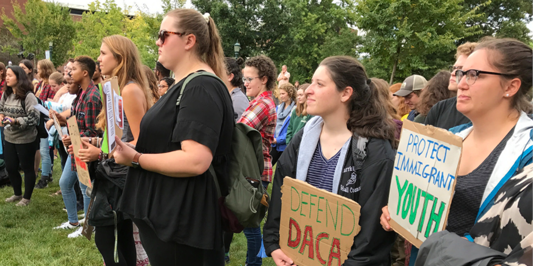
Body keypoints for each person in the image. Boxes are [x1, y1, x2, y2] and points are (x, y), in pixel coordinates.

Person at [381, 38, 533, 266]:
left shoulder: (528, 154)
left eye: (475, 75)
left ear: (511, 86)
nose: (462, 83)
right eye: (462, 74)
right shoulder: (450, 137)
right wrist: (398, 211)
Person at [113, 9, 233, 266]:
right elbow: (164, 143)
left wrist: (136, 159)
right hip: (171, 219)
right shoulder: (187, 84)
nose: (157, 42)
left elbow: (195, 160)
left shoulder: (201, 87)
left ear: (189, 41)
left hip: (182, 224)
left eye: (163, 35)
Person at [263, 56, 397, 266]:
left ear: (346, 93)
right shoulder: (304, 136)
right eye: (312, 82)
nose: (308, 90)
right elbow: (283, 189)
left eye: (320, 84)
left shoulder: (375, 151)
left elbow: (371, 236)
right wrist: (274, 243)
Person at [75, 35, 153, 266]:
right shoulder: (116, 88)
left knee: (114, 235)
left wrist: (100, 154)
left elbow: (142, 142)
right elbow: (117, 138)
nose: (98, 58)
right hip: (114, 173)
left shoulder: (129, 90)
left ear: (120, 57)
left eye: (103, 53)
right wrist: (89, 142)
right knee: (111, 235)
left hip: (122, 176)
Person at [50, 56, 102, 238]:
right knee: (65, 183)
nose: (69, 73)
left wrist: (75, 139)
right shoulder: (81, 94)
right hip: (76, 147)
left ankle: (87, 227)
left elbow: (94, 133)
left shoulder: (93, 97)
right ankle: (73, 220)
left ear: (85, 73)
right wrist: (63, 123)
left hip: (84, 150)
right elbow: (76, 121)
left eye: (73, 70)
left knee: (85, 188)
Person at [237, 55, 277, 266]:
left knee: (251, 227)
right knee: (249, 224)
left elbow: (238, 131)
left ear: (264, 79)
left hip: (255, 171)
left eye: (249, 79)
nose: (245, 83)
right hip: (256, 170)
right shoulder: (261, 101)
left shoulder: (262, 104)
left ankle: (253, 264)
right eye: (244, 79)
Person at [0, 66, 40, 206]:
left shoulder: (29, 96)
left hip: (26, 138)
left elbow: (34, 118)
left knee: (27, 167)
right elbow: (1, 109)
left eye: (10, 75)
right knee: (10, 167)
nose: (7, 78)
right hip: (9, 136)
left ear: (19, 77)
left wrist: (16, 121)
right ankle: (17, 194)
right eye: (6, 75)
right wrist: (2, 117)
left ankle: (26, 197)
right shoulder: (7, 94)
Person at [424, 43, 477, 130]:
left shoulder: (483, 113)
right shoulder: (440, 108)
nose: (453, 73)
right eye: (454, 68)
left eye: (460, 69)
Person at [34, 59, 56, 189]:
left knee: (45, 150)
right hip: (39, 119)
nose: (37, 71)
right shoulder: (39, 84)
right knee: (43, 150)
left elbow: (51, 103)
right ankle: (47, 173)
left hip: (47, 120)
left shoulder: (49, 86)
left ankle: (45, 177)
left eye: (39, 68)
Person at [271, 82, 296, 165]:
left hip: (285, 146)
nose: (281, 96)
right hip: (273, 144)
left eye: (283, 94)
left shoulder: (295, 110)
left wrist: (278, 140)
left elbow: (292, 130)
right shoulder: (278, 107)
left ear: (290, 93)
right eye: (280, 93)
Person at [225, 57, 248, 121]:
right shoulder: (233, 97)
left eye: (219, 72)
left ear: (230, 76)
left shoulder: (238, 99)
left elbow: (239, 129)